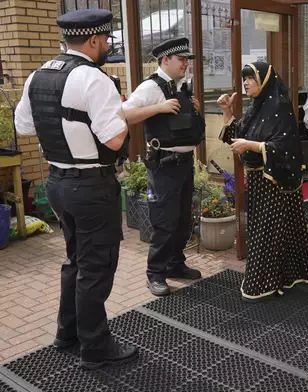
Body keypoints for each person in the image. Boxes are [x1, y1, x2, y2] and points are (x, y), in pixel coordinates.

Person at [13, 9, 138, 369]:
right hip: (92, 187)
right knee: (96, 267)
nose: (108, 45)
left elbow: (24, 127)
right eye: (107, 40)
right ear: (94, 40)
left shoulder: (37, 75)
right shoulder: (94, 80)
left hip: (57, 184)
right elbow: (114, 140)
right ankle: (95, 347)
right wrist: (121, 117)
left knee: (75, 260)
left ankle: (66, 332)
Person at [217, 62, 308, 301]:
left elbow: (285, 146)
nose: (246, 83)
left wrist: (251, 146)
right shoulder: (256, 108)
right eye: (244, 79)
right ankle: (287, 275)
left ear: (265, 79)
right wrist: (227, 112)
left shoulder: (280, 107)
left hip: (274, 182)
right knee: (270, 230)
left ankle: (263, 283)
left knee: (267, 232)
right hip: (260, 181)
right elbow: (238, 135)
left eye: (251, 78)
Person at [122, 37, 205, 296]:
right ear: (165, 60)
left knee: (182, 220)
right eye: (182, 60)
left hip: (184, 164)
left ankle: (175, 265)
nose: (186, 65)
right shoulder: (151, 87)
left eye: (187, 61)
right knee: (165, 221)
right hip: (164, 166)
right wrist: (159, 107)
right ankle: (154, 273)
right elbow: (123, 113)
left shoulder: (180, 86)